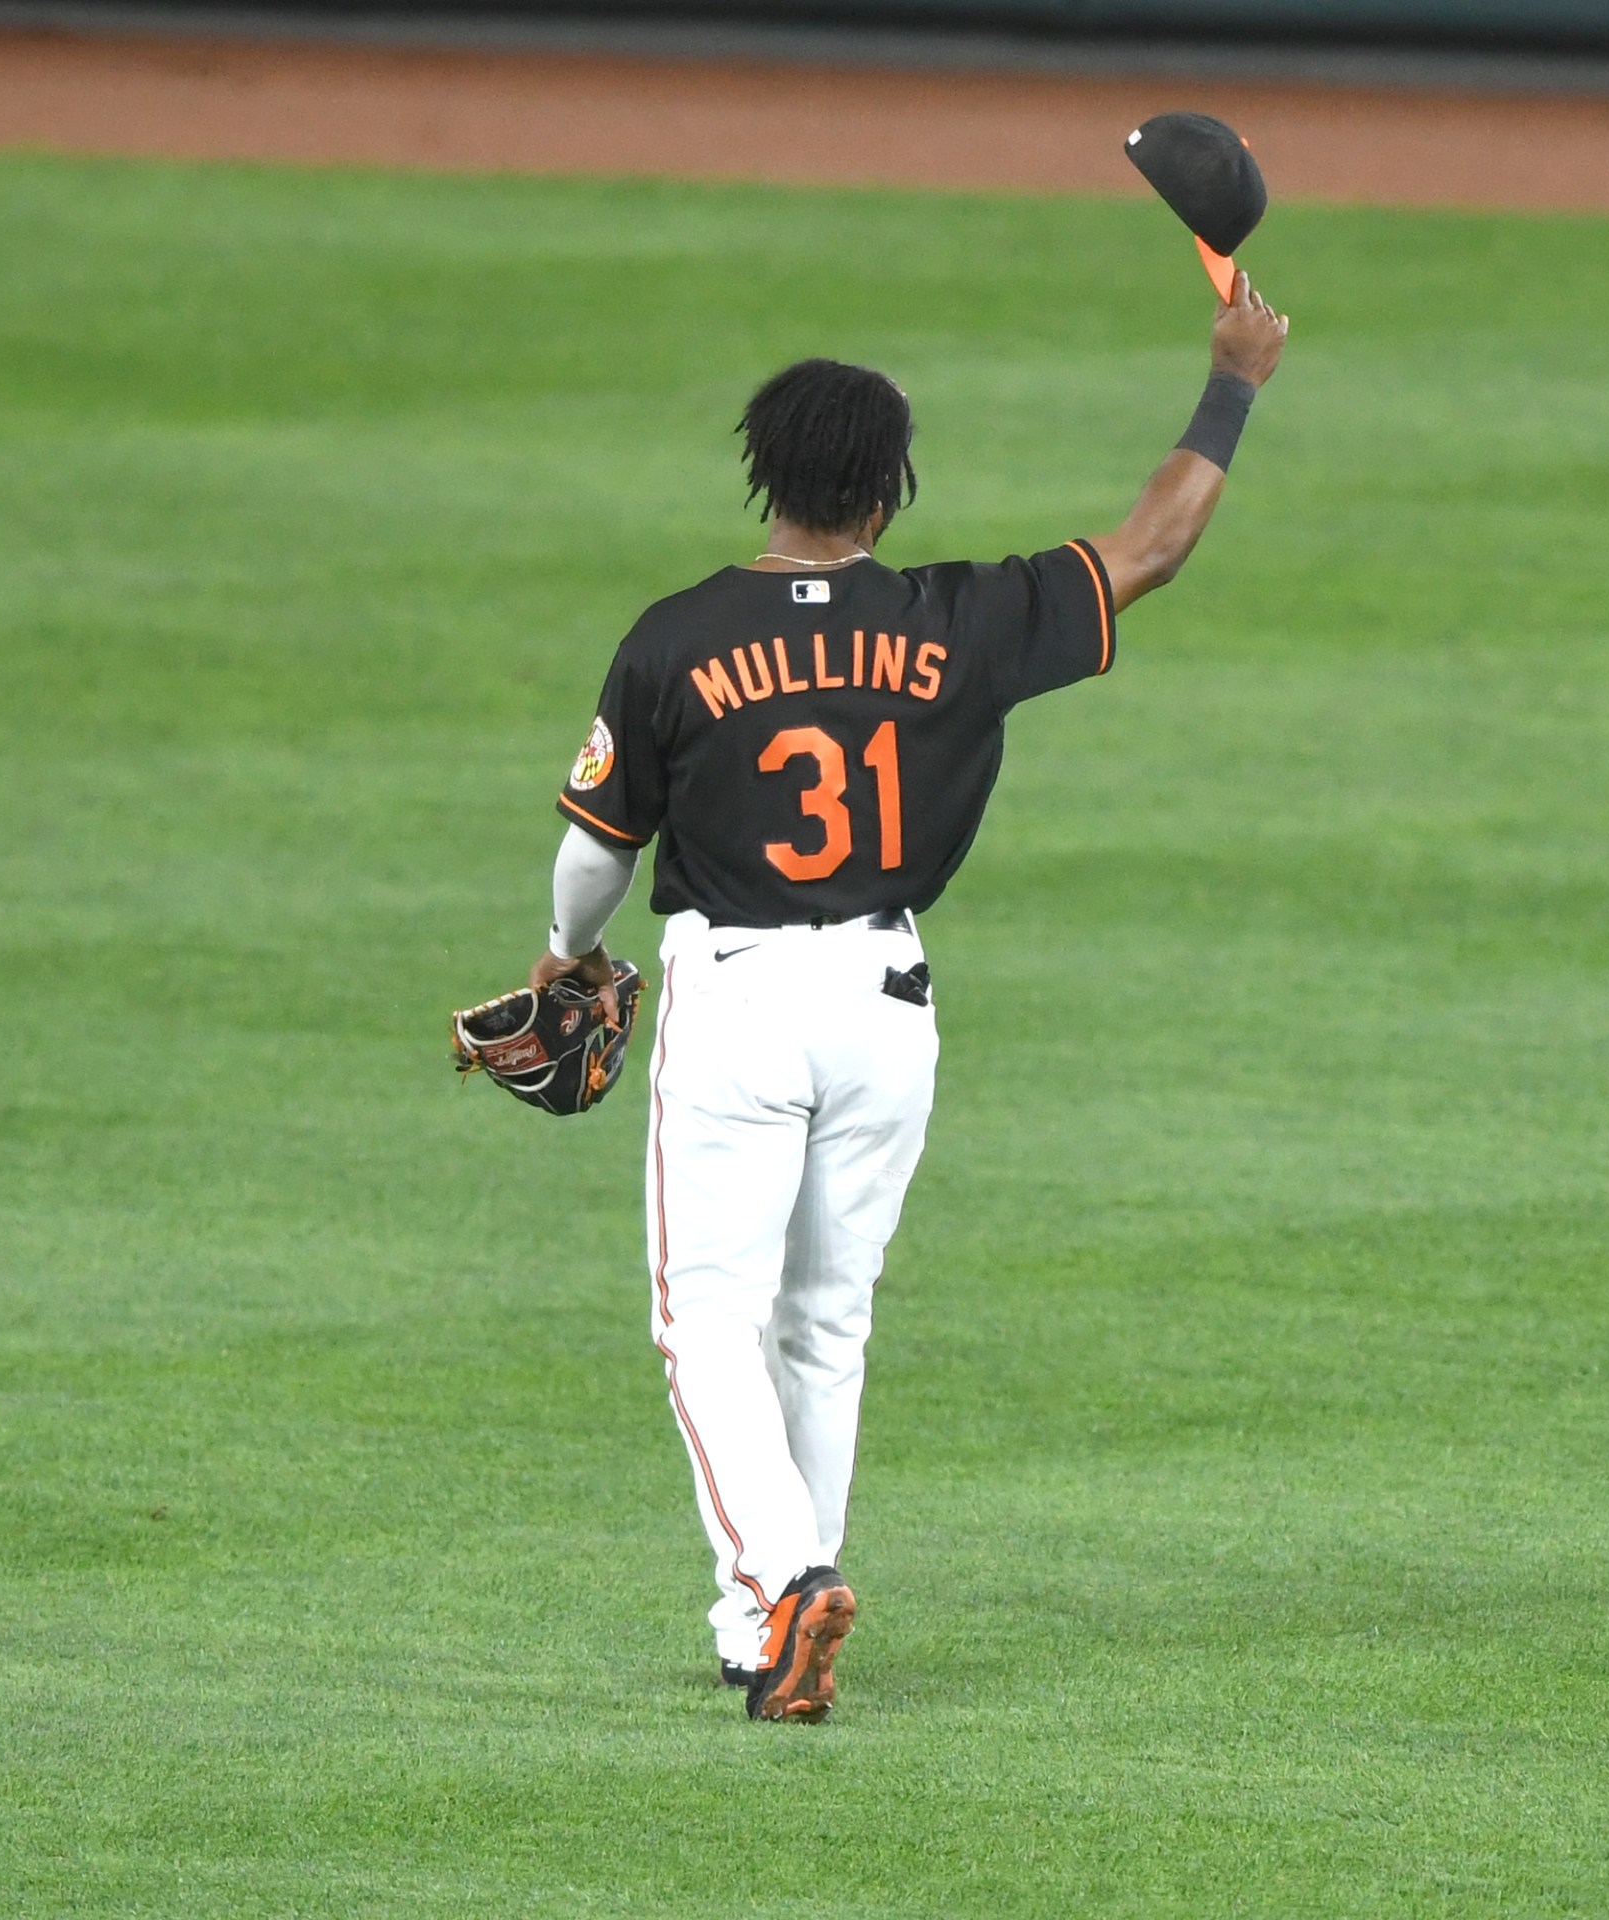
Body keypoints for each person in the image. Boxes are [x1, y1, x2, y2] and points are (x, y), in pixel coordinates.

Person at [532, 270, 1289, 1722]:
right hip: (888, 1008)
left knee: (708, 1322)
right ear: (888, 493)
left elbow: (592, 857)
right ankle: (773, 1617)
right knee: (827, 1321)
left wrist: (562, 955)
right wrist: (1233, 380)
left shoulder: (676, 637)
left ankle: (784, 1584)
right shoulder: (963, 621)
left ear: (768, 477)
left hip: (741, 999)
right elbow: (1154, 545)